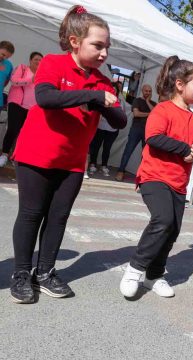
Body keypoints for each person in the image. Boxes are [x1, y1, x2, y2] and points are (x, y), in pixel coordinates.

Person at [9, 5, 127, 304]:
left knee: (58, 217)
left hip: (73, 161)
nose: (103, 53)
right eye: (97, 45)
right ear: (75, 41)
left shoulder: (102, 80)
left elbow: (120, 120)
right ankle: (21, 274)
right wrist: (92, 96)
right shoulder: (53, 63)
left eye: (107, 47)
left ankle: (45, 272)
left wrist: (102, 101)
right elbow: (46, 98)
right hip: (37, 154)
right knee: (32, 214)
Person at [119, 55, 193, 299]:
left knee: (172, 230)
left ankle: (154, 276)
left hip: (179, 184)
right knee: (162, 221)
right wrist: (186, 149)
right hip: (154, 176)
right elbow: (153, 137)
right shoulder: (162, 109)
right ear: (180, 84)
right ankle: (134, 269)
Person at [0, 51, 43, 167]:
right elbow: (14, 81)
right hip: (17, 103)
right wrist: (30, 80)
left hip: (32, 108)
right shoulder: (22, 68)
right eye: (36, 59)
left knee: (24, 133)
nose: (38, 62)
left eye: (40, 60)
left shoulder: (42, 75)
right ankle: (4, 154)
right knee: (13, 129)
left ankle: (16, 156)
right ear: (30, 60)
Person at [115, 84, 156, 181]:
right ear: (142, 91)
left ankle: (142, 176)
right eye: (146, 91)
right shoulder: (137, 101)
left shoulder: (153, 103)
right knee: (128, 151)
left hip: (148, 131)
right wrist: (149, 114)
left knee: (146, 155)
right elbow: (136, 114)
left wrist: (147, 102)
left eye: (149, 91)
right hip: (136, 129)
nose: (148, 93)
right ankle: (121, 171)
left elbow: (155, 114)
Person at [88, 82, 126, 176]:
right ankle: (93, 164)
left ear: (117, 91)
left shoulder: (120, 101)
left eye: (115, 90)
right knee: (96, 146)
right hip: (100, 127)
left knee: (107, 148)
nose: (112, 91)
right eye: (111, 89)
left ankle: (104, 166)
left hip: (112, 130)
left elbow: (122, 114)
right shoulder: (102, 99)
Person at [0, 41, 15, 113]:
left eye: (7, 57)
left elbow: (6, 81)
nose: (4, 58)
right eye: (3, 54)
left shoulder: (9, 65)